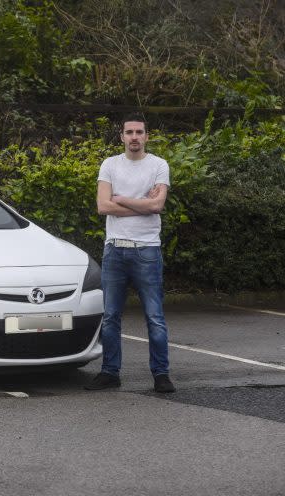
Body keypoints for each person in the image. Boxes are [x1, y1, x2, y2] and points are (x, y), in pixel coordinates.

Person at [85, 113, 175, 393]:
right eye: (129, 132)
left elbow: (157, 206)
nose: (134, 137)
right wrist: (141, 203)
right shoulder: (110, 164)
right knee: (111, 316)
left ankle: (161, 375)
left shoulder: (159, 165)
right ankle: (110, 372)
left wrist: (121, 199)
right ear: (122, 136)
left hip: (147, 250)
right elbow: (103, 206)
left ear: (147, 136)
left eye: (139, 132)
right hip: (115, 251)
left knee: (154, 316)